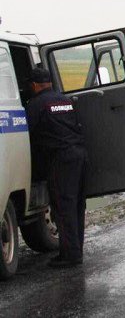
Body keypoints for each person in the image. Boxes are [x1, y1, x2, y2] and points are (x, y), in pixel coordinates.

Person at [25, 65, 87, 268]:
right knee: (77, 204)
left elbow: (28, 134)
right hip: (79, 155)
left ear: (34, 85)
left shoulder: (36, 104)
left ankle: (70, 255)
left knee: (63, 206)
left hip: (62, 159)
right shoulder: (64, 100)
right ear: (50, 83)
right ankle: (75, 250)